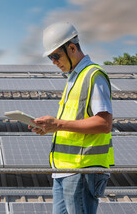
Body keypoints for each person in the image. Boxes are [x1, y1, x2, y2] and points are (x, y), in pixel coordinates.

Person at [29, 22, 114, 214]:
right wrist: (50, 128)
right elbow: (72, 123)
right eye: (50, 57)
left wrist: (57, 124)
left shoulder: (93, 75)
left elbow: (104, 123)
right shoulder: (73, 78)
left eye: (56, 56)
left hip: (82, 170)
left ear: (72, 48)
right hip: (63, 170)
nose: (53, 62)